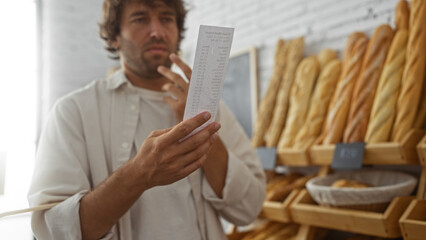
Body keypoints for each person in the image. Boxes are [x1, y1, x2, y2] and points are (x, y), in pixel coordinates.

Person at [28, 0, 266, 239]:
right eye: (140, 19)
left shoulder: (214, 109)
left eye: (166, 18)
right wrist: (139, 174)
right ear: (114, 37)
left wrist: (202, 124)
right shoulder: (74, 111)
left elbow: (249, 209)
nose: (157, 32)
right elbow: (52, 231)